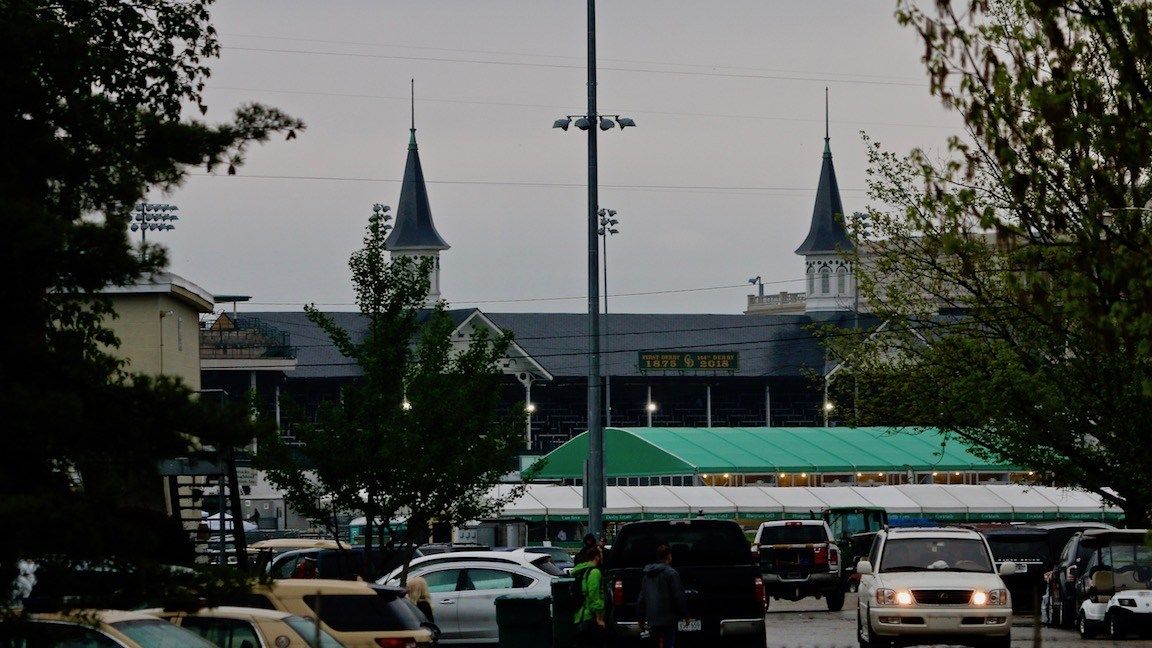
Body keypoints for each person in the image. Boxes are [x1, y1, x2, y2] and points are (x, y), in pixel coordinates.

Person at [637, 544, 689, 648]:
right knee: (668, 643)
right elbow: (678, 596)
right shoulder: (671, 574)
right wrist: (685, 615)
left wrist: (640, 618)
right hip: (668, 619)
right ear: (669, 556)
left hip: (652, 618)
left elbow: (641, 598)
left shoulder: (647, 575)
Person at [572, 546, 606, 647]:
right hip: (590, 616)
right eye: (600, 554)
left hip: (580, 615)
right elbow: (593, 594)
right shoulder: (594, 572)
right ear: (596, 557)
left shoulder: (582, 571)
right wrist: (599, 618)